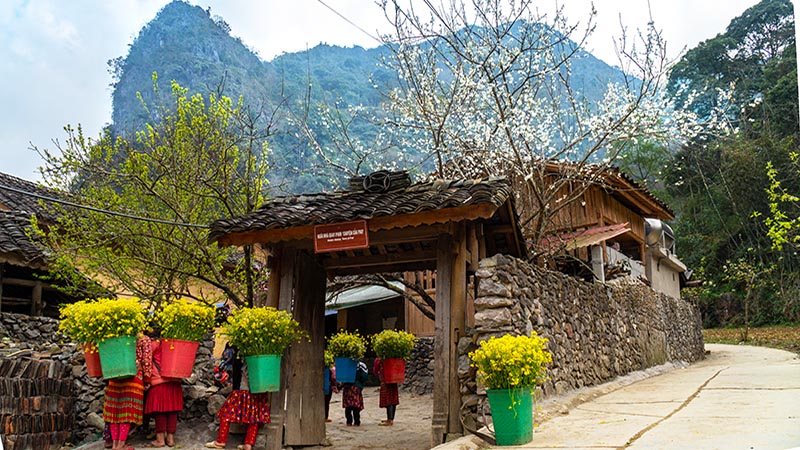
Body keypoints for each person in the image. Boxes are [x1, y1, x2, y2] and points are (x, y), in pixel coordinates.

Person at [205, 346, 270, 450]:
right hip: (258, 389)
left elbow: (229, 361)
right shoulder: (264, 349)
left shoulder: (241, 348)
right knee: (254, 417)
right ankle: (248, 444)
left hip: (243, 389)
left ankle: (221, 441)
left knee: (226, 413)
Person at [103, 333, 152, 450]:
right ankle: (121, 445)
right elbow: (146, 360)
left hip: (115, 378)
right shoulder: (143, 339)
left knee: (114, 413)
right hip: (133, 380)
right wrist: (147, 379)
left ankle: (115, 445)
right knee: (126, 412)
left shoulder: (113, 337)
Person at [144, 333, 184, 447]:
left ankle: (160, 440)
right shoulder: (175, 344)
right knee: (172, 411)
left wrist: (146, 380)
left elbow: (146, 363)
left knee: (160, 411)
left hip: (159, 381)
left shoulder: (154, 345)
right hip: (174, 381)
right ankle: (170, 439)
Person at [373, 358, 399, 426]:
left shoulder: (379, 360)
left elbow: (375, 371)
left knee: (388, 399)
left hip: (385, 380)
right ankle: (391, 418)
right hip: (393, 380)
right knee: (393, 398)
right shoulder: (394, 358)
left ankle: (389, 420)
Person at [341, 361, 368, 426]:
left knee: (348, 406)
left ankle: (349, 421)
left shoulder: (343, 363)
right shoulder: (361, 365)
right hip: (356, 387)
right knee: (356, 406)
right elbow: (364, 377)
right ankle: (356, 421)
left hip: (347, 387)